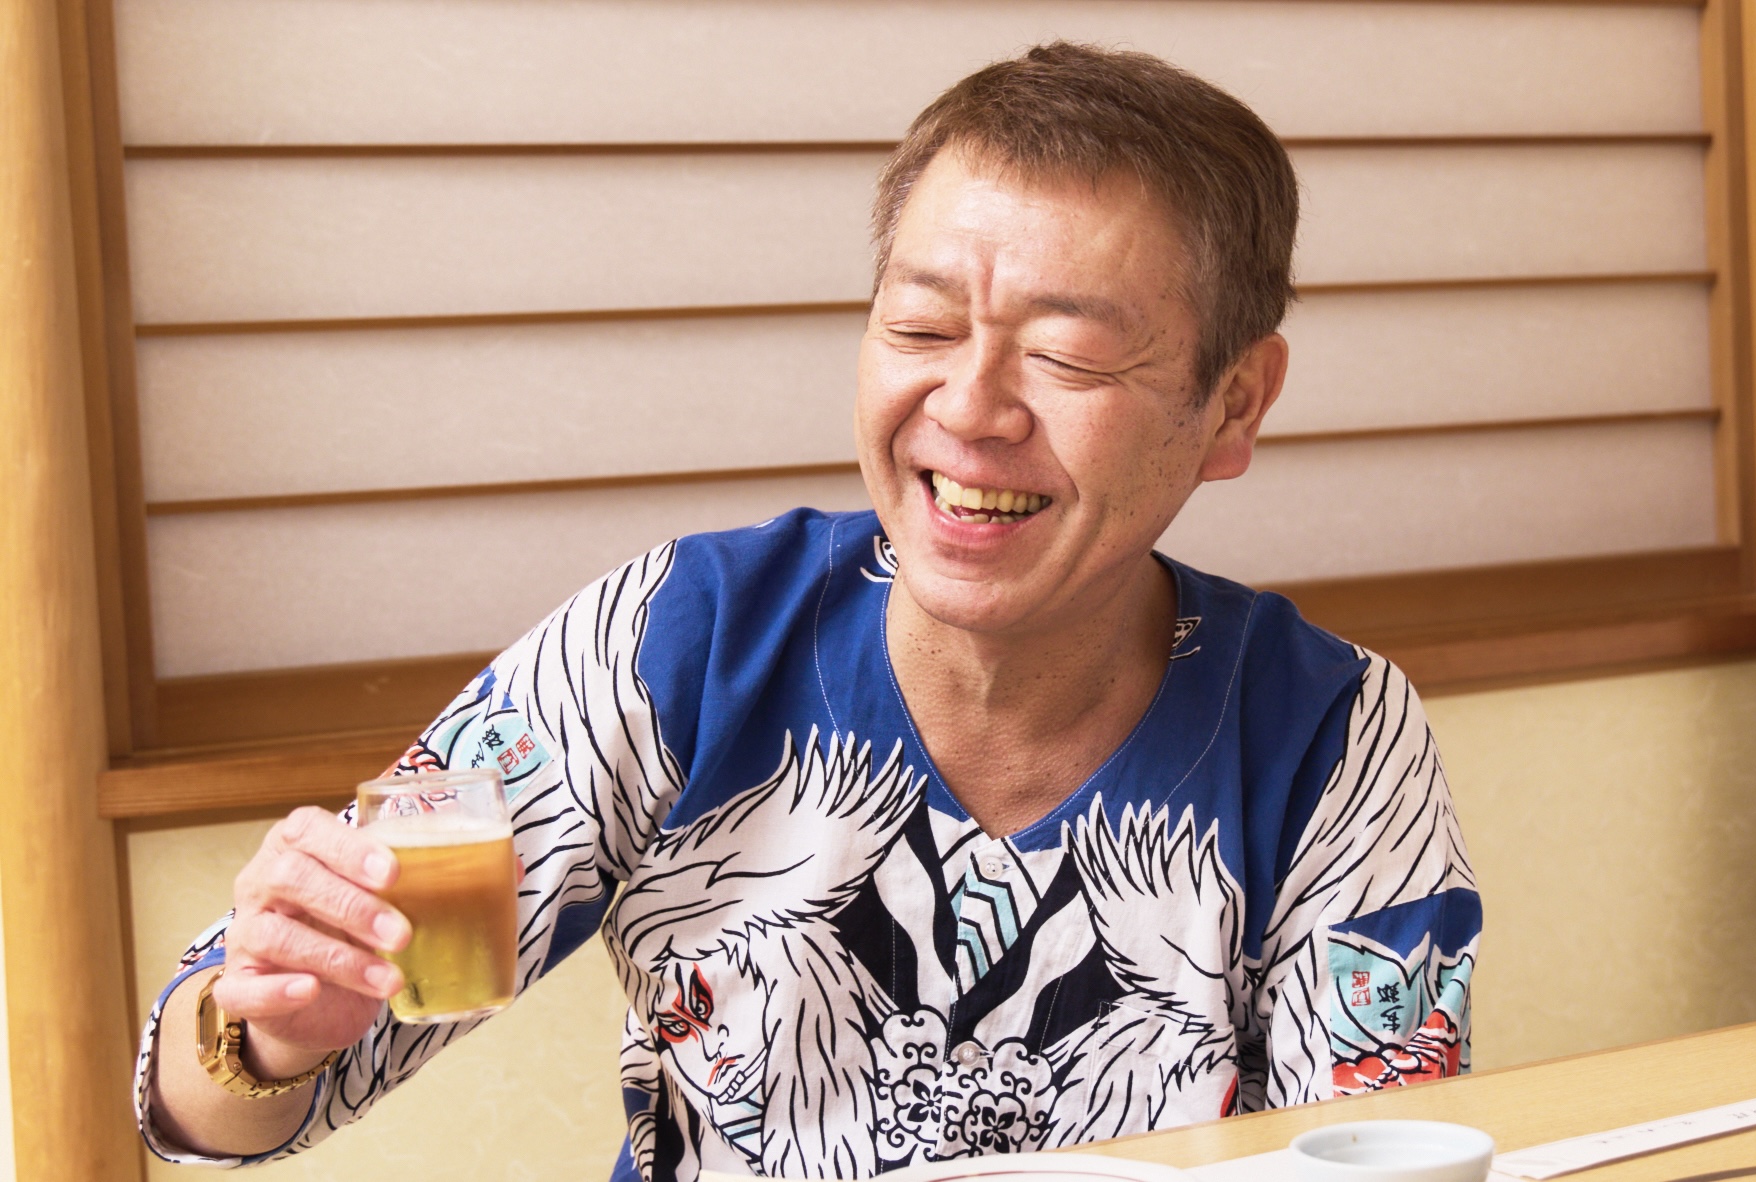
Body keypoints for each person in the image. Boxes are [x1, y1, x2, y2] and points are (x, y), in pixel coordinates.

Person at [136, 42, 1480, 1179]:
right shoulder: (679, 642)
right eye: (920, 325)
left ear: (1233, 404)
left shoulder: (1330, 736)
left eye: (1066, 352)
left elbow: (1380, 1148)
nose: (970, 408)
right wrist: (268, 1026)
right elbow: (224, 1106)